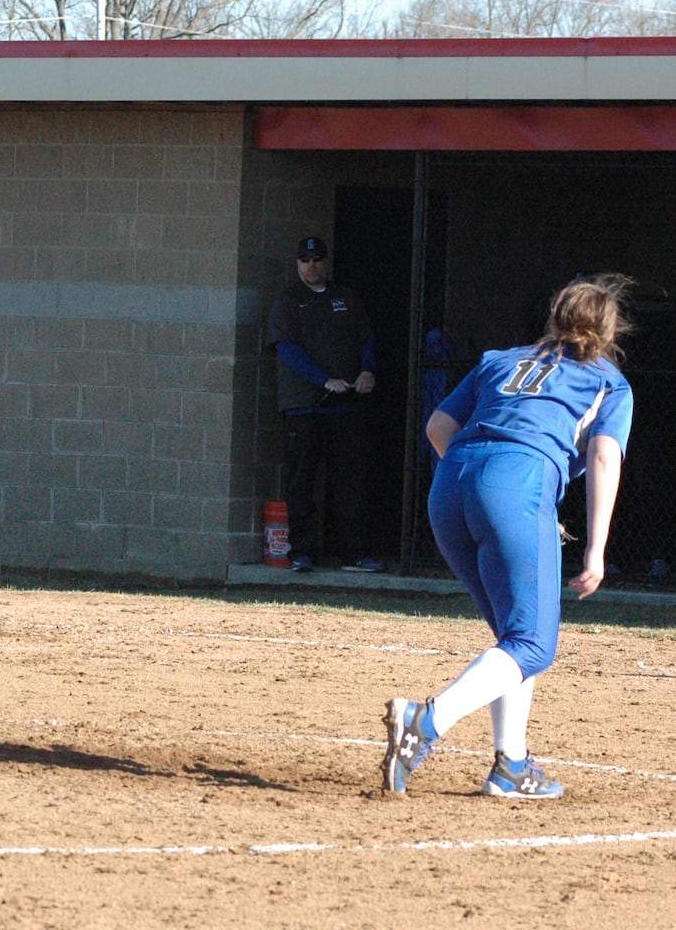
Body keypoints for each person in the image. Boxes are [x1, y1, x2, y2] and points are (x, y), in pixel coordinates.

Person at [382, 273, 634, 799]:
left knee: (515, 636)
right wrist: (595, 548)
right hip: (516, 484)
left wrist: (481, 486)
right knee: (533, 643)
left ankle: (511, 766)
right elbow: (605, 456)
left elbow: (437, 428)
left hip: (450, 487)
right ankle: (425, 721)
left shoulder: (500, 359)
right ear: (608, 333)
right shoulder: (609, 381)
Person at [265, 235, 383, 573]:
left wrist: (367, 371)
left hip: (346, 407)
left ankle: (352, 554)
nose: (311, 265)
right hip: (304, 407)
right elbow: (285, 349)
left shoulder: (345, 297)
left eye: (317, 259)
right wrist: (322, 380)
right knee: (301, 482)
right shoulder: (288, 301)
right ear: (297, 263)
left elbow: (366, 337)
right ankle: (301, 552)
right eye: (305, 259)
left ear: (325, 261)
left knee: (350, 482)